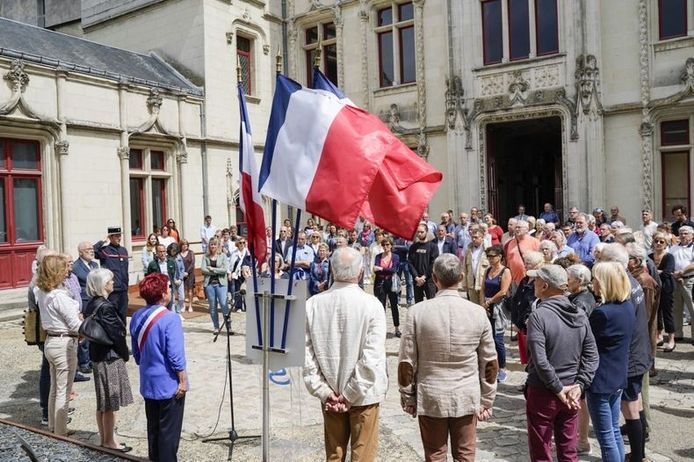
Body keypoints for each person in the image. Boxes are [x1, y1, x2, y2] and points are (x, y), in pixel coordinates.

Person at [398, 253, 497, 462]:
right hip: (466, 393)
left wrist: (408, 396)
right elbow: (489, 362)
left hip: (432, 393)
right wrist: (487, 399)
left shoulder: (417, 312)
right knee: (465, 454)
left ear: (434, 278)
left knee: (435, 455)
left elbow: (407, 360)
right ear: (461, 277)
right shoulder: (478, 312)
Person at [303, 247, 388, 461]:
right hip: (362, 393)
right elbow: (372, 357)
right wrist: (348, 394)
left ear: (331, 269)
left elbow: (306, 357)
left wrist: (324, 391)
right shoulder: (372, 304)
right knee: (363, 456)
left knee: (334, 455)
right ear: (360, 272)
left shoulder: (312, 305)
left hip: (334, 392)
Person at [524, 265, 598, 462]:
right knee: (568, 450)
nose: (533, 283)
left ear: (545, 286)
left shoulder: (538, 316)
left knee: (542, 451)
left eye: (536, 280)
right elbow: (592, 356)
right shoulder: (579, 314)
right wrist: (579, 385)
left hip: (544, 392)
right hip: (572, 391)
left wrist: (558, 389)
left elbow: (540, 360)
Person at [130, 273, 188, 462]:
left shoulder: (137, 315)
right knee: (169, 436)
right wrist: (183, 379)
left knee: (153, 430)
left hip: (148, 380)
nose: (170, 291)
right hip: (168, 383)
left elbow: (136, 353)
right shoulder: (170, 318)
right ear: (163, 294)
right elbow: (175, 355)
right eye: (168, 288)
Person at [586, 262, 635, 462]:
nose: (592, 283)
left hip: (601, 380)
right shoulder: (627, 306)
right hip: (617, 375)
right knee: (614, 430)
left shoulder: (603, 313)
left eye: (595, 279)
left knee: (606, 437)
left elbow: (587, 342)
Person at [84, 269, 133, 452]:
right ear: (103, 284)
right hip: (109, 357)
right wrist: (125, 354)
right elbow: (116, 335)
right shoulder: (105, 306)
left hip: (98, 356)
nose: (113, 283)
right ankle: (110, 441)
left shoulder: (92, 303)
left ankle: (104, 439)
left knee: (103, 402)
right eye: (110, 280)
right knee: (110, 404)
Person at [35, 255, 83, 436]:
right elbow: (75, 325)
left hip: (51, 341)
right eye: (63, 269)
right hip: (64, 343)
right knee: (63, 389)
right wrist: (85, 328)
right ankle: (61, 431)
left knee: (55, 387)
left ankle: (53, 426)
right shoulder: (59, 297)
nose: (66, 272)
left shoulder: (42, 292)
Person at [480, 245, 511, 382]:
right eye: (488, 256)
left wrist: (490, 302)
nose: (490, 259)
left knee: (498, 339)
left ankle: (503, 368)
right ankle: (491, 365)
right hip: (486, 305)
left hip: (498, 307)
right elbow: (482, 288)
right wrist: (483, 304)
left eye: (492, 256)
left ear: (500, 256)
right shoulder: (488, 270)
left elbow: (503, 291)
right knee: (488, 337)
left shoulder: (505, 271)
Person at [73, 242, 99, 374]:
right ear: (80, 252)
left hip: (95, 303)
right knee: (85, 334)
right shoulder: (76, 267)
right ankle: (83, 362)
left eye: (92, 249)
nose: (92, 251)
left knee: (94, 333)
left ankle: (91, 359)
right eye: (88, 249)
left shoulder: (95, 265)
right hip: (84, 303)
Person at [94, 227, 129, 321]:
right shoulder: (105, 251)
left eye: (120, 235)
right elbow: (93, 250)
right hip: (112, 291)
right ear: (110, 237)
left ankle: (122, 335)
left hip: (123, 290)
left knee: (123, 316)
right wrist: (102, 241)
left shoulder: (124, 250)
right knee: (111, 316)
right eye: (117, 236)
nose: (119, 238)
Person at [649, 232, 676, 351]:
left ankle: (671, 339)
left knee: (667, 313)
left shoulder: (669, 256)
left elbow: (667, 272)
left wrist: (656, 273)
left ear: (666, 244)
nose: (659, 243)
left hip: (666, 288)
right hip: (654, 288)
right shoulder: (649, 256)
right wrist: (659, 272)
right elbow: (646, 272)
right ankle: (658, 335)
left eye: (662, 241)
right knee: (656, 312)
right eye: (656, 241)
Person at [669, 225, 694, 343]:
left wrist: (683, 272)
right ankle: (678, 334)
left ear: (692, 235)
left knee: (692, 308)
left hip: (689, 280)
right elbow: (669, 263)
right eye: (681, 233)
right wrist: (675, 274)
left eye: (686, 233)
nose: (683, 236)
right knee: (676, 309)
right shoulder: (673, 248)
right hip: (675, 280)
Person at [373, 237, 401, 337]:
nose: (385, 247)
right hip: (380, 283)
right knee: (381, 307)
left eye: (388, 244)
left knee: (394, 305)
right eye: (384, 245)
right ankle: (381, 329)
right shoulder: (378, 256)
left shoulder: (395, 257)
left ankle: (397, 328)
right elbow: (374, 269)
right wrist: (383, 269)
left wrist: (381, 268)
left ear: (391, 245)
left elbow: (394, 270)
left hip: (391, 282)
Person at [201, 238, 230, 332]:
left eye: (214, 244)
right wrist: (218, 271)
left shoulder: (223, 256)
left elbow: (225, 270)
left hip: (221, 284)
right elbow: (203, 270)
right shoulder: (205, 256)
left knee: (224, 304)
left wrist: (212, 269)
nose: (213, 246)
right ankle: (216, 327)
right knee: (212, 306)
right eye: (211, 244)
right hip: (209, 284)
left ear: (218, 246)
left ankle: (228, 326)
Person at [408, 223, 439, 302]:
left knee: (431, 303)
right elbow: (410, 263)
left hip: (429, 280)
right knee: (418, 304)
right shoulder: (413, 247)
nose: (419, 234)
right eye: (418, 232)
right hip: (417, 280)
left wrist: (424, 276)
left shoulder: (433, 247)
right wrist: (416, 277)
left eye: (422, 232)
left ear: (427, 232)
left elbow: (433, 263)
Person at [505, 220, 540, 285]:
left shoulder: (535, 242)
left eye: (519, 227)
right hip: (514, 279)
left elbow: (540, 260)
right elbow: (508, 262)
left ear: (526, 229)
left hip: (530, 278)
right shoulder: (511, 243)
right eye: (516, 227)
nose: (517, 229)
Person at [464, 229, 489, 305]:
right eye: (472, 237)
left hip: (483, 283)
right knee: (474, 306)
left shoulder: (487, 249)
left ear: (482, 237)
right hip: (471, 283)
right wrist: (465, 284)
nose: (474, 239)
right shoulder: (469, 249)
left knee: (484, 306)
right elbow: (465, 268)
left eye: (476, 237)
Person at [228, 238, 251, 311]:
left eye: (243, 242)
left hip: (246, 274)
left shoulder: (248, 252)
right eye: (240, 243)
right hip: (237, 274)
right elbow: (231, 264)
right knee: (238, 290)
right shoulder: (234, 253)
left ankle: (248, 306)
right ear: (237, 244)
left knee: (247, 290)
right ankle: (238, 306)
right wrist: (230, 273)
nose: (242, 244)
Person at [393, 236, 415, 307]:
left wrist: (396, 247)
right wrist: (402, 247)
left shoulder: (408, 238)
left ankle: (409, 300)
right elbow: (392, 249)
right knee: (397, 282)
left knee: (409, 282)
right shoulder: (395, 239)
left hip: (406, 262)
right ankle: (397, 300)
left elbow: (408, 248)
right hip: (397, 262)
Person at [179, 240, 195, 313]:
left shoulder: (191, 253)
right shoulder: (179, 254)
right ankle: (184, 305)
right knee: (183, 291)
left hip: (190, 274)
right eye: (183, 245)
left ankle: (190, 305)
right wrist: (182, 273)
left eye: (186, 244)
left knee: (190, 290)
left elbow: (192, 263)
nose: (185, 246)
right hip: (181, 274)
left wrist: (187, 272)